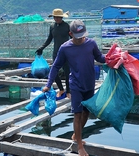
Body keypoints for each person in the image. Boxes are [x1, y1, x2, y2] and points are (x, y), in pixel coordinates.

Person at [42, 19, 105, 156]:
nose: (81, 39)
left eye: (82, 35)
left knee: (87, 111)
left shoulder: (91, 44)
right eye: (77, 37)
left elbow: (100, 58)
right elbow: (56, 66)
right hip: (75, 84)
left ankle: (77, 136)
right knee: (77, 113)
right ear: (70, 34)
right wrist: (48, 85)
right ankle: (79, 146)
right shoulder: (65, 48)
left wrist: (114, 57)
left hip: (89, 84)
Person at [36, 8, 71, 98]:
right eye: (55, 17)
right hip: (56, 52)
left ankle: (68, 91)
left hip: (66, 53)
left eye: (58, 17)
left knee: (68, 72)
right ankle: (61, 89)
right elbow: (49, 39)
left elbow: (72, 39)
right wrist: (41, 48)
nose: (57, 19)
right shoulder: (52, 26)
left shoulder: (67, 26)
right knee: (54, 72)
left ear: (61, 17)